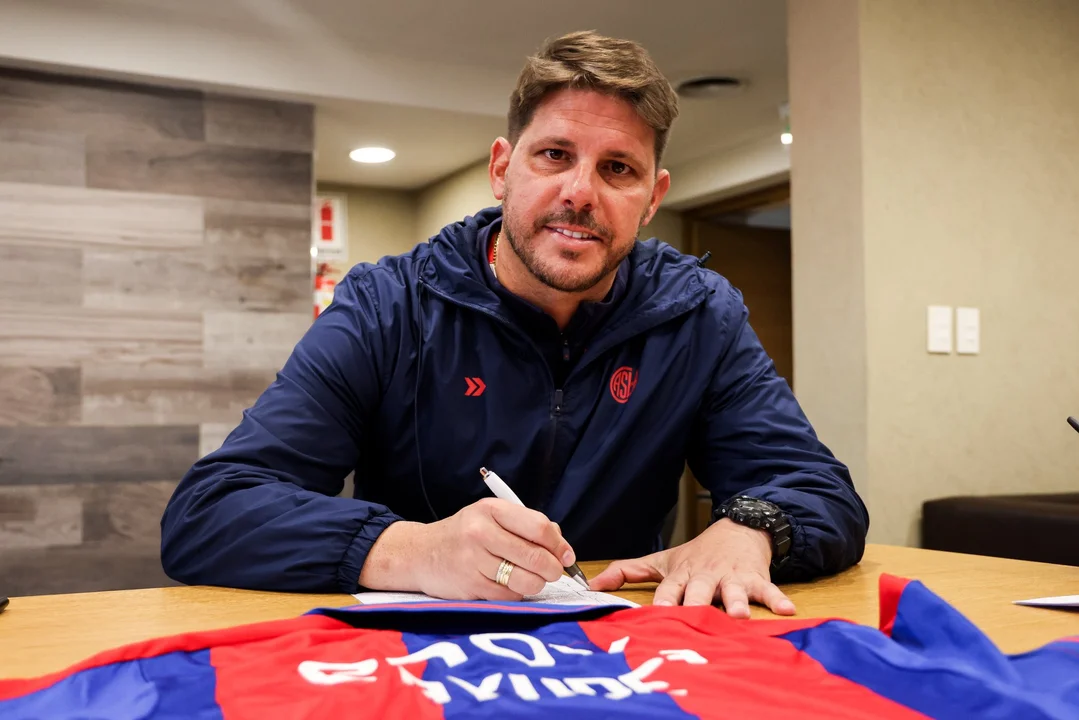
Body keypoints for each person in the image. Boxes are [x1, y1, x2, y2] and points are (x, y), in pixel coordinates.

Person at [160, 30, 869, 618]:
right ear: (503, 169)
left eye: (617, 169)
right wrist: (410, 550)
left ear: (652, 198)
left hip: (622, 654)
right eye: (554, 155)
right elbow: (209, 514)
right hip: (415, 657)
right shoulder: (387, 305)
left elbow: (819, 489)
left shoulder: (700, 314)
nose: (580, 193)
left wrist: (753, 529)